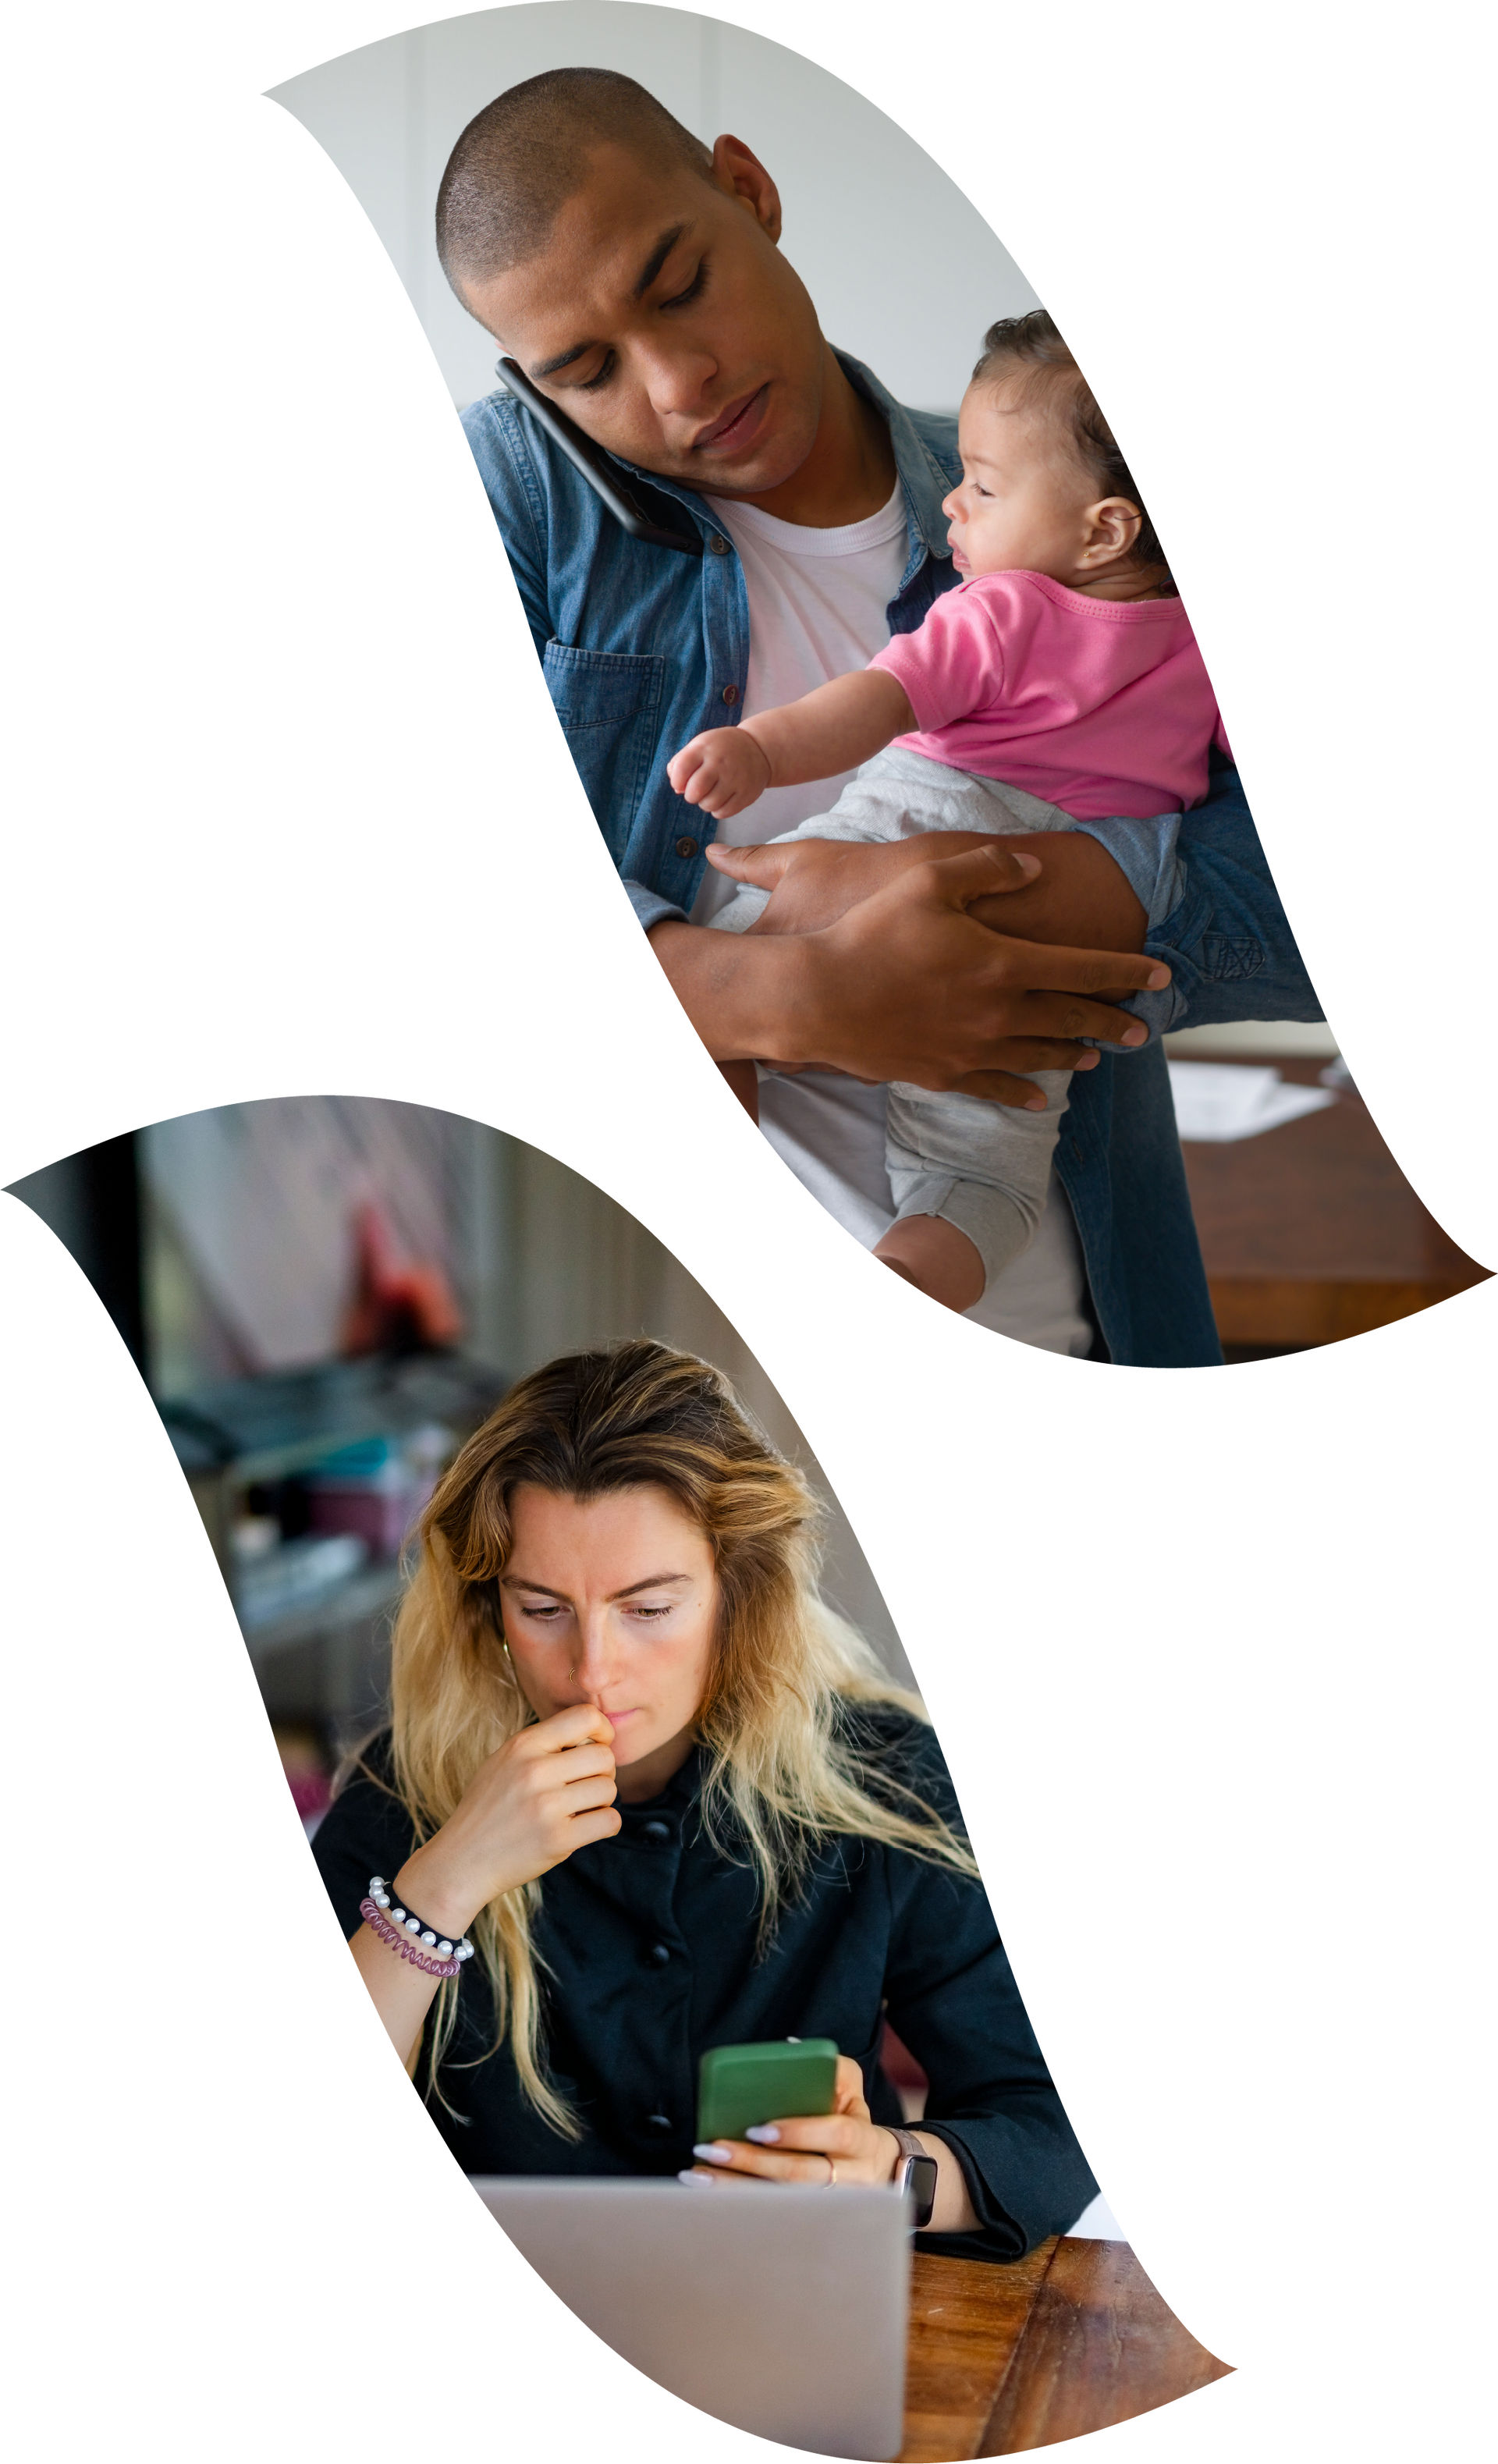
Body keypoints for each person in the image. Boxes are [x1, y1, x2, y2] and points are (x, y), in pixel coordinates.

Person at [439, 69, 1326, 1369]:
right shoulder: (519, 507)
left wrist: (985, 908)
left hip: (1091, 1321)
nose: (678, 383)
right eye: (587, 370)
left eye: (679, 283)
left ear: (748, 191)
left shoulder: (1050, 493)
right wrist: (779, 991)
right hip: (710, 1381)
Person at [311, 1339, 1101, 2260]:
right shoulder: (397, 1794)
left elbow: (1052, 2121)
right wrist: (442, 1885)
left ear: (739, 1595)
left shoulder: (887, 1779)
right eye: (541, 1607)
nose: (592, 1671)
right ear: (490, 1607)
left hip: (803, 2306)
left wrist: (887, 2172)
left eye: (649, 1609)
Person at [671, 310, 1231, 1315]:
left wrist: (759, 750)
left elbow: (876, 701)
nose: (954, 506)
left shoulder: (1006, 608)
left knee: (721, 986)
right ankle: (916, 1270)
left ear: (1105, 527)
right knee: (988, 1164)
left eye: (981, 483)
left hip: (911, 829)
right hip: (1055, 926)